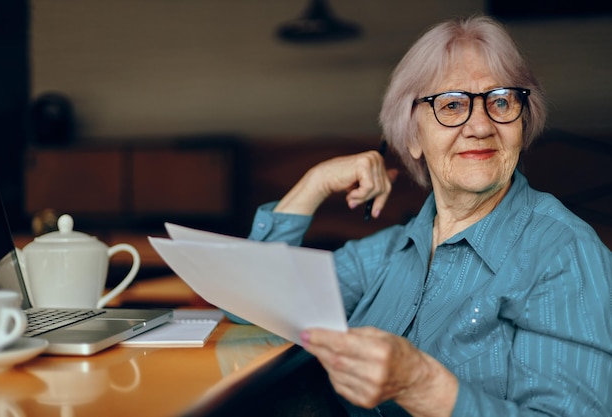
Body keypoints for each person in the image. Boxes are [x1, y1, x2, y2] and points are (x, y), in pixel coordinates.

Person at [239, 15, 612, 416]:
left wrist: (423, 386)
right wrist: (314, 183)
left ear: (523, 120)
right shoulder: (389, 252)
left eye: (500, 100)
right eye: (452, 105)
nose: (481, 126)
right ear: (413, 137)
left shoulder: (563, 253)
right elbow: (249, 302)